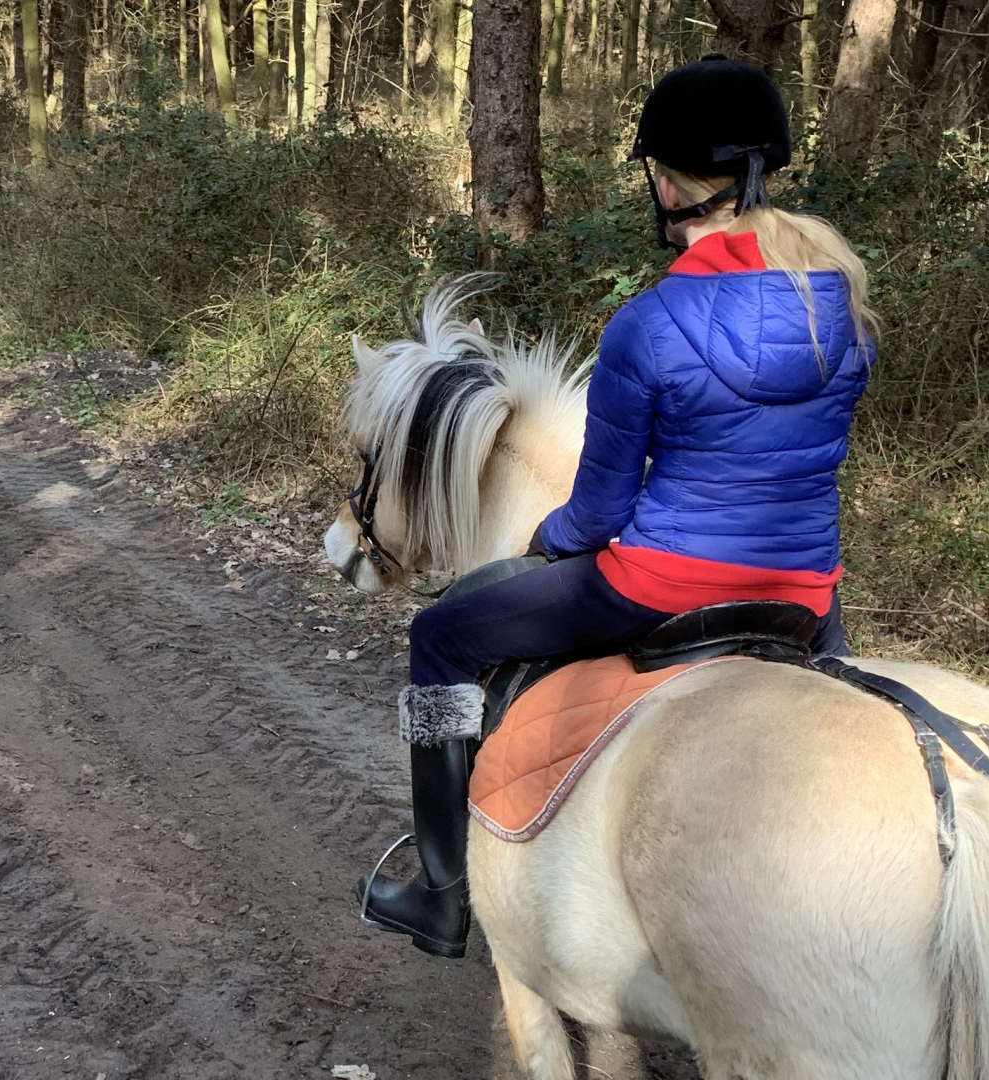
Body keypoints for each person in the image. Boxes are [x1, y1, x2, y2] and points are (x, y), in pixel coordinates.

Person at [357, 55, 877, 959]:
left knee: (438, 637)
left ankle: (441, 891)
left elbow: (597, 513)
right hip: (806, 595)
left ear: (668, 183)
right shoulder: (843, 305)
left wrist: (544, 534)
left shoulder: (649, 321)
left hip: (659, 587)